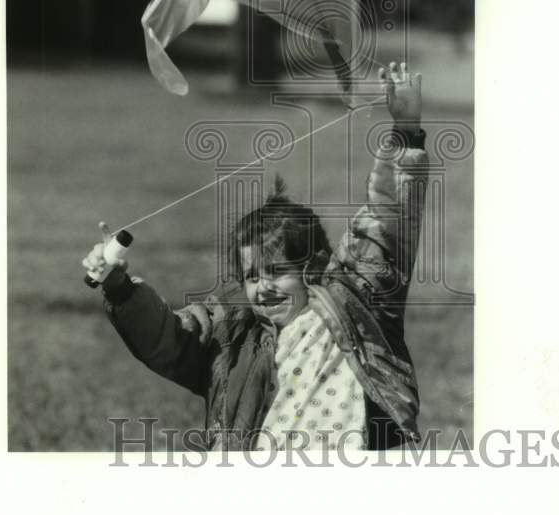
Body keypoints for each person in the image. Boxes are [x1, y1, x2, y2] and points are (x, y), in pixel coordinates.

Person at [83, 62, 428, 452]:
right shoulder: (231, 331)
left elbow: (388, 218)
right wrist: (119, 287)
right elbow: (167, 339)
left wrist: (406, 129)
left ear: (313, 266)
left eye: (277, 271)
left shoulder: (356, 300)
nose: (262, 288)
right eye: (251, 276)